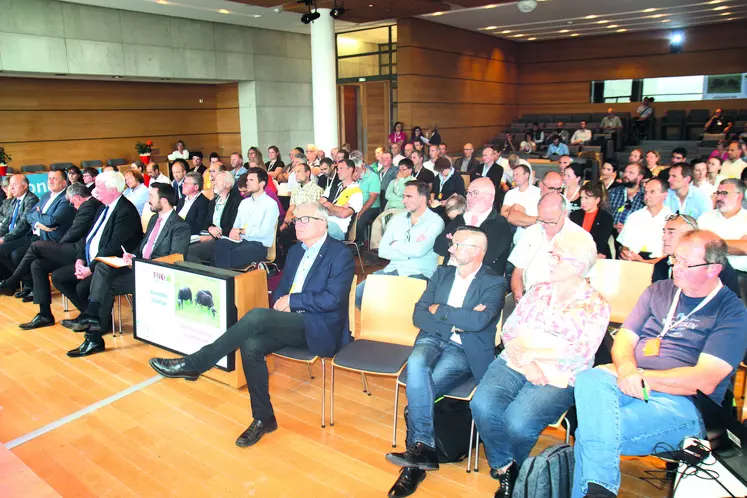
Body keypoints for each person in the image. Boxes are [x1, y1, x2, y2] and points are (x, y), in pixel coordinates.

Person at [149, 202, 355, 446]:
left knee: (257, 317)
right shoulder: (296, 251)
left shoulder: (340, 254)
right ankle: (263, 418)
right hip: (290, 320)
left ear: (323, 224)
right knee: (251, 344)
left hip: (319, 326)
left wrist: (293, 300)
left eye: (304, 220)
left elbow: (333, 300)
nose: (297, 224)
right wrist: (282, 302)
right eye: (297, 219)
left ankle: (196, 363)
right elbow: (280, 288)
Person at [571, 230, 747, 498]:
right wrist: (627, 370)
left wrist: (639, 376)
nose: (676, 266)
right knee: (589, 378)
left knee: (590, 434)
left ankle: (597, 491)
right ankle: (599, 491)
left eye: (687, 262)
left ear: (713, 269)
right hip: (630, 381)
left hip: (683, 403)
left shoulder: (732, 312)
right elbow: (624, 341)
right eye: (676, 258)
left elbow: (704, 380)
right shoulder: (659, 290)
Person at [472, 229, 609, 498]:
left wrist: (534, 354)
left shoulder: (596, 305)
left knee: (518, 422)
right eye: (551, 254)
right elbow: (510, 330)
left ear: (578, 267)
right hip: (518, 359)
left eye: (558, 257)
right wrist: (528, 360)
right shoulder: (538, 290)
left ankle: (515, 469)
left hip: (560, 375)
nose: (550, 261)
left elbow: (580, 353)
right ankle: (505, 468)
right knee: (482, 405)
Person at [385, 226, 505, 498]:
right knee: (416, 363)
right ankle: (423, 449)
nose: (449, 249)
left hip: (463, 351)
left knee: (422, 391)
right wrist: (454, 322)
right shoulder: (442, 273)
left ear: (476, 251)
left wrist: (441, 311)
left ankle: (414, 465)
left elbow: (479, 322)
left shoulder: (494, 282)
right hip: (433, 338)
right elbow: (419, 314)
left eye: (457, 245)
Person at [68, 183, 191, 357]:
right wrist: (132, 256)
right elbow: (143, 248)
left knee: (105, 282)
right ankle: (93, 332)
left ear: (163, 201)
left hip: (158, 275)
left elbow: (175, 259)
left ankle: (93, 327)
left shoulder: (180, 226)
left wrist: (141, 263)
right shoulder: (155, 220)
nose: (148, 200)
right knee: (104, 271)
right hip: (140, 269)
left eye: (151, 197)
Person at [48, 171, 143, 330]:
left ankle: (97, 321)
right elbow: (88, 237)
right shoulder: (102, 207)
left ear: (113, 189)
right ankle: (91, 316)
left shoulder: (125, 211)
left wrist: (90, 268)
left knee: (82, 287)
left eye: (99, 188)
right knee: (58, 277)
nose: (95, 192)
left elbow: (112, 247)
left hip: (109, 264)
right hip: (90, 260)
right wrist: (80, 260)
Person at [0, 182, 102, 304]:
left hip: (80, 249)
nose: (73, 206)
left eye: (72, 203)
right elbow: (30, 215)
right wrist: (38, 219)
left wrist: (60, 244)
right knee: (37, 264)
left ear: (77, 198)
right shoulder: (48, 196)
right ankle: (44, 313)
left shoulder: (88, 206)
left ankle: (13, 280)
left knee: (36, 246)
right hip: (75, 246)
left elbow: (74, 231)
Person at [355, 182, 443, 308]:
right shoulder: (397, 219)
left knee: (395, 303)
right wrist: (409, 251)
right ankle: (379, 325)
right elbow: (383, 251)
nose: (404, 201)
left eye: (409, 197)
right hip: (392, 269)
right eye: (403, 196)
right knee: (357, 294)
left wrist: (395, 244)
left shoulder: (435, 222)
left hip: (419, 272)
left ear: (422, 198)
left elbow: (419, 251)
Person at [508, 192, 593, 301]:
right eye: (541, 219)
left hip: (564, 302)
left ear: (564, 214)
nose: (545, 225)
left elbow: (585, 280)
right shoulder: (532, 232)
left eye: (551, 221)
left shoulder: (581, 238)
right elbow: (518, 272)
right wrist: (518, 295)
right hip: (530, 298)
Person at [435, 178, 512, 277]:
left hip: (482, 280)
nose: (468, 197)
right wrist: (468, 247)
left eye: (474, 193)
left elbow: (487, 257)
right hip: (449, 274)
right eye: (468, 193)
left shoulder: (500, 224)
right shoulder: (460, 218)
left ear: (489, 197)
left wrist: (454, 243)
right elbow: (438, 245)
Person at [652, 213, 741, 296]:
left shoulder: (715, 265)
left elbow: (732, 302)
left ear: (689, 236)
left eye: (671, 233)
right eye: (664, 232)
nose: (664, 238)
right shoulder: (661, 266)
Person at [212, 168, 278, 269]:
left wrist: (242, 231)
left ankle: (225, 281)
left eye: (251, 180)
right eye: (247, 180)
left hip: (259, 245)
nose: (247, 183)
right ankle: (226, 280)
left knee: (228, 255)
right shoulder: (244, 203)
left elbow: (264, 232)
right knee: (220, 244)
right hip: (241, 241)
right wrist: (235, 232)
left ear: (262, 183)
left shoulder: (271, 204)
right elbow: (235, 226)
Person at [698, 178, 747, 303]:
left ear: (739, 195)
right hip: (708, 275)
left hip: (740, 277)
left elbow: (744, 247)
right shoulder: (706, 218)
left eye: (724, 193)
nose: (719, 197)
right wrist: (734, 245)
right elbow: (697, 245)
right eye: (718, 193)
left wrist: (710, 243)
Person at [187, 171, 242, 264]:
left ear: (228, 184)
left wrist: (213, 236)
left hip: (224, 240)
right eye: (214, 180)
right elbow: (206, 222)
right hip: (208, 236)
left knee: (190, 251)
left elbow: (233, 227)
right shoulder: (213, 202)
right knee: (183, 246)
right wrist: (210, 227)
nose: (214, 183)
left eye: (217, 180)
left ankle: (203, 277)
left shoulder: (237, 202)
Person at [618, 177, 671, 262]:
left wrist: (644, 262)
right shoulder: (634, 217)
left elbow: (671, 254)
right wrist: (626, 254)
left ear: (664, 195)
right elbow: (625, 245)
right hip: (633, 260)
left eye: (652, 192)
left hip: (659, 263)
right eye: (646, 192)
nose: (647, 196)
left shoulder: (671, 219)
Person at [0, 174, 40, 286]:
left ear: (25, 186)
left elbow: (23, 225)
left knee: (12, 253)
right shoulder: (14, 200)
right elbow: (7, 222)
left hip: (27, 236)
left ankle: (18, 280)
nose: (11, 188)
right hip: (15, 236)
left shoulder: (31, 199)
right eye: (10, 185)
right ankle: (13, 281)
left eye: (14, 185)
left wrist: (4, 239)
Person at [368, 159, 414, 252]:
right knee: (377, 223)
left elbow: (405, 196)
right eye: (399, 169)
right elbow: (387, 195)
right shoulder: (393, 181)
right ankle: (376, 249)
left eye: (403, 169)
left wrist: (401, 181)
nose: (400, 171)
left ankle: (389, 250)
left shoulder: (413, 182)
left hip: (403, 210)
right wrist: (399, 199)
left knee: (390, 224)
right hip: (390, 208)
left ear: (410, 170)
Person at [570, 182, 614, 259]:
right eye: (581, 198)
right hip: (576, 255)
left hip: (598, 256)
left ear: (597, 200)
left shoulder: (606, 218)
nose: (582, 202)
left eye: (586, 198)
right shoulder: (574, 215)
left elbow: (601, 243)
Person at [501, 164, 541, 245]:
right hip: (514, 228)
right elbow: (503, 213)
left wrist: (515, 213)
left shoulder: (538, 192)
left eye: (517, 175)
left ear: (526, 175)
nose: (514, 178)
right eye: (514, 175)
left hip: (535, 229)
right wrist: (513, 209)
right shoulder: (510, 193)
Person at [607, 163, 646, 234]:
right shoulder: (613, 192)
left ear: (640, 177)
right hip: (611, 233)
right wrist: (612, 225)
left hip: (635, 235)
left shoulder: (645, 196)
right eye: (625, 172)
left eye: (631, 173)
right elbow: (603, 214)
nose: (626, 175)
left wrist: (628, 227)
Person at [354, 157, 381, 246]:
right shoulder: (353, 176)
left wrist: (361, 211)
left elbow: (372, 198)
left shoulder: (373, 177)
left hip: (371, 207)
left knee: (358, 221)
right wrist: (353, 180)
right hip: (355, 205)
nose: (355, 171)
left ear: (362, 166)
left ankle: (358, 243)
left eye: (357, 169)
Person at [175, 171, 209, 236]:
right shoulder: (181, 201)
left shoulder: (204, 203)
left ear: (196, 187)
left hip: (189, 236)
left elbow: (198, 227)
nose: (183, 185)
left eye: (186, 184)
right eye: (183, 183)